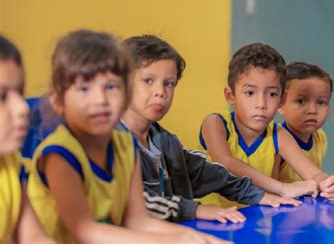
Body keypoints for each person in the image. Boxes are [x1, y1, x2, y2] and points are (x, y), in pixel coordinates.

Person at [27, 30, 225, 244]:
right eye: (84, 89)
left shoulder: (126, 145)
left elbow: (138, 221)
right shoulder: (59, 155)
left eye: (111, 87)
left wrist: (191, 236)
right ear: (58, 101)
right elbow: (85, 232)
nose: (101, 99)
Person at [119, 35, 300, 223]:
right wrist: (196, 210)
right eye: (148, 80)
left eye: (169, 83)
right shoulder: (109, 144)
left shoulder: (165, 142)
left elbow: (207, 172)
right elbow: (130, 202)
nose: (161, 92)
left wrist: (257, 195)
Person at [199, 43, 334, 207]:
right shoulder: (215, 123)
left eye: (272, 94)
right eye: (250, 93)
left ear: (282, 99)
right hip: (210, 220)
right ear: (231, 95)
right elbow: (226, 162)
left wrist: (328, 184)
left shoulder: (279, 135)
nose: (261, 104)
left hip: (254, 220)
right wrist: (282, 188)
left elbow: (314, 173)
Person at [0, 35, 54, 243]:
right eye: (2, 96)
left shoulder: (10, 163)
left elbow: (34, 238)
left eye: (20, 92)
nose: (23, 107)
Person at [278, 62, 332, 183]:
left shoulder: (320, 137)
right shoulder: (274, 143)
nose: (312, 110)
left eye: (321, 102)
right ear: (280, 105)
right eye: (301, 101)